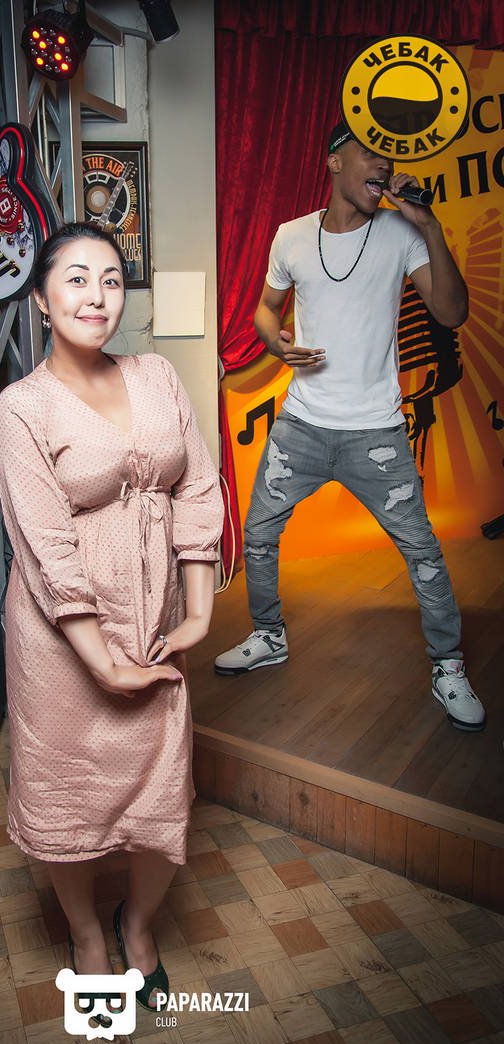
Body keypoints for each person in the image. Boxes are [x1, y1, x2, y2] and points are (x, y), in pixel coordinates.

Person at [0, 222, 224, 1010]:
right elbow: (45, 544)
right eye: (77, 279)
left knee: (162, 788)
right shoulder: (23, 406)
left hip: (153, 620)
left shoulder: (157, 375)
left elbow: (197, 486)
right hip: (61, 641)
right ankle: (88, 934)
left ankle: (139, 924)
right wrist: (101, 662)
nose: (97, 296)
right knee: (68, 795)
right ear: (41, 298)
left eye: (112, 279)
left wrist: (199, 607)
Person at [214, 122, 486, 733]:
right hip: (302, 425)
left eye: (390, 156)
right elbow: (265, 308)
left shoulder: (401, 234)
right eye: (371, 152)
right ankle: (268, 636)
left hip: (376, 433)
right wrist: (275, 343)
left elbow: (452, 313)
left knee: (422, 551)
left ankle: (448, 666)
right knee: (258, 534)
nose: (384, 165)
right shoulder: (291, 236)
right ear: (335, 161)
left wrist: (430, 228)